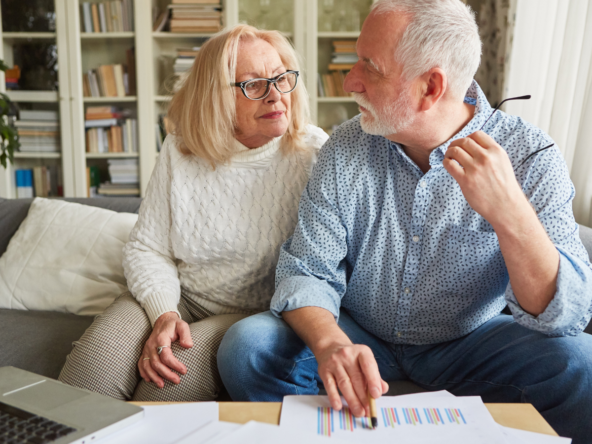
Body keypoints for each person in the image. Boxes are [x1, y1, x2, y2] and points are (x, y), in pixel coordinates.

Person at [217, 1, 592, 442]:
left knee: (581, 366)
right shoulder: (345, 148)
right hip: (360, 331)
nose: (350, 80)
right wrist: (331, 344)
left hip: (473, 340)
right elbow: (306, 271)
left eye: (369, 68)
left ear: (430, 87)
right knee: (248, 349)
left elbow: (565, 316)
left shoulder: (530, 156)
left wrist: (511, 215)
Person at [58, 24, 328, 402]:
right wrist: (164, 314)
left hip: (253, 315)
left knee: (164, 385)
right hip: (182, 296)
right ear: (215, 97)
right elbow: (148, 248)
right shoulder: (180, 148)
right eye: (253, 85)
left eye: (282, 78)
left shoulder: (314, 153)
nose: (275, 95)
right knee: (91, 369)